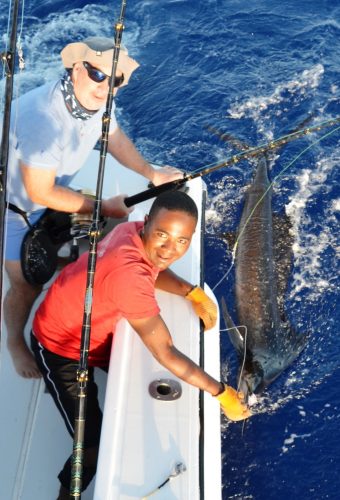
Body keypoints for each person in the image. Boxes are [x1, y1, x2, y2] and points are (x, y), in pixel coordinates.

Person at [30, 191, 251, 499]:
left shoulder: (129, 231)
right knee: (91, 446)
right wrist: (221, 392)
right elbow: (165, 351)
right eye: (162, 235)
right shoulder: (129, 277)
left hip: (96, 333)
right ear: (147, 224)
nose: (169, 249)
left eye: (181, 241)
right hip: (59, 346)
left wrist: (190, 291)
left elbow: (153, 267)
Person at [4, 36, 183, 378]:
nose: (105, 86)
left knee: (99, 233)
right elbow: (40, 191)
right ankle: (13, 341)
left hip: (55, 191)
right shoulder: (43, 121)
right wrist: (102, 207)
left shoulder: (96, 100)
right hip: (17, 211)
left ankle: (56, 256)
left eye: (114, 79)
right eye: (97, 74)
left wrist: (151, 172)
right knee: (27, 283)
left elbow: (113, 138)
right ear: (75, 68)